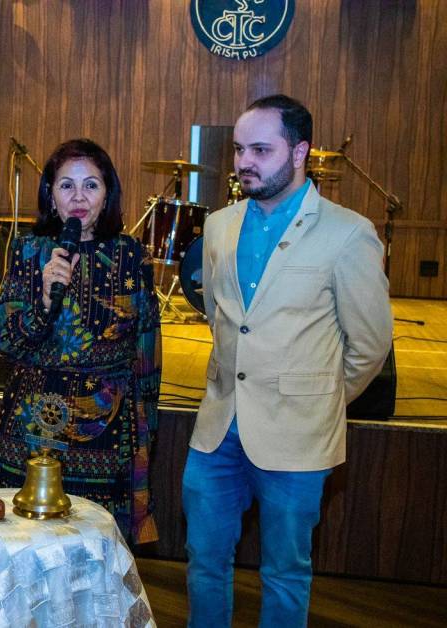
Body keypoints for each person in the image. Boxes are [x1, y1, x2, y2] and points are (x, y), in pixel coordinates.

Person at [182, 94, 393, 627]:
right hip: (217, 429)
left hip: (298, 436)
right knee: (204, 562)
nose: (244, 162)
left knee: (284, 573)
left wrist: (317, 398)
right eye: (238, 150)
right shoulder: (219, 225)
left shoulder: (349, 233)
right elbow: (220, 316)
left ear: (300, 152)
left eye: (260, 149)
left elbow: (369, 345)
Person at [0, 138, 161, 544]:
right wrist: (44, 301)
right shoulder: (28, 252)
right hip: (31, 428)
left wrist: (146, 430)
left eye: (90, 185)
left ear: (107, 194)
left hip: (106, 435)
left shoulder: (131, 255)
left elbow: (147, 350)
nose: (78, 197)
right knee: (23, 546)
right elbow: (6, 343)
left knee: (93, 550)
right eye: (67, 185)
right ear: (51, 195)